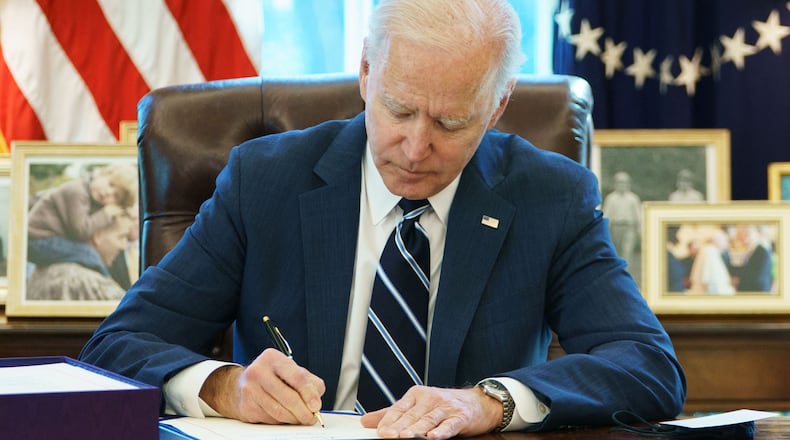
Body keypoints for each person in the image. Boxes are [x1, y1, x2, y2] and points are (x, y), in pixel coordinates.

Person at [79, 0, 686, 438]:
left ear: (497, 106)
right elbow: (115, 348)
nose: (415, 147)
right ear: (368, 72)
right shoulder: (265, 180)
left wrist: (492, 403)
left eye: (451, 123)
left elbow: (646, 365)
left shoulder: (551, 197)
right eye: (398, 109)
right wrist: (221, 386)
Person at [27, 162, 138, 284]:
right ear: (100, 174)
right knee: (88, 253)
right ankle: (105, 285)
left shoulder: (90, 195)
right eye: (110, 184)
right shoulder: (76, 192)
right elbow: (80, 231)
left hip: (47, 240)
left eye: (116, 196)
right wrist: (106, 213)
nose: (108, 192)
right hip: (36, 240)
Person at [27, 214, 134, 301]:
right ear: (98, 235)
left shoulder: (39, 272)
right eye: (121, 237)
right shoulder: (89, 282)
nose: (124, 246)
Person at [601, 171, 641, 264]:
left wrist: (639, 230)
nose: (622, 185)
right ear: (615, 184)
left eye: (624, 182)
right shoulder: (611, 198)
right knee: (616, 251)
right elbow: (606, 214)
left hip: (629, 227)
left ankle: (626, 273)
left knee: (627, 251)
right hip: (616, 227)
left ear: (629, 184)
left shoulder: (633, 198)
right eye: (619, 182)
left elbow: (638, 216)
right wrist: (605, 230)